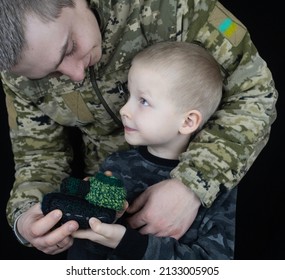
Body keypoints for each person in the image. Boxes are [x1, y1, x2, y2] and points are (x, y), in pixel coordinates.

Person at [0, 0, 277, 256]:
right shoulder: (18, 73)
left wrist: (192, 185)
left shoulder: (171, 8)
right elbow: (39, 155)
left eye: (70, 47)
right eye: (51, 74)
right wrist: (27, 217)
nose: (76, 75)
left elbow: (254, 94)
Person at [70, 41, 236, 260]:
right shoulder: (116, 166)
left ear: (187, 121)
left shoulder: (216, 189)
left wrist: (129, 243)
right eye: (128, 96)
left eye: (144, 101)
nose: (124, 110)